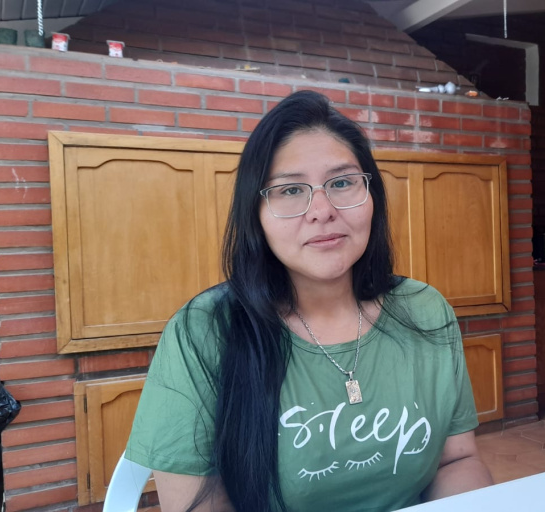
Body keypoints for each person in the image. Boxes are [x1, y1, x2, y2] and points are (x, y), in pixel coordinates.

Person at [125, 90, 493, 512]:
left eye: (342, 183)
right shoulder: (204, 332)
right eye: (290, 190)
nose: (322, 210)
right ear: (255, 214)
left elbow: (456, 460)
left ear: (371, 195)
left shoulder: (425, 309)